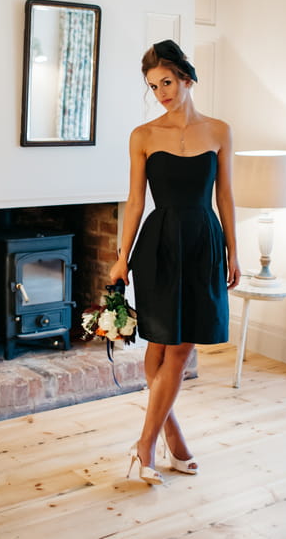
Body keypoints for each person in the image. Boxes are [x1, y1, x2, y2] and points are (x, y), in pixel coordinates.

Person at [109, 39, 240, 486]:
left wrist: (234, 251)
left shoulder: (219, 131)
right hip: (159, 244)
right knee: (161, 345)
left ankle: (147, 444)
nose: (161, 92)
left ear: (186, 77)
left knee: (182, 349)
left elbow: (225, 197)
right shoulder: (143, 136)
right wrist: (119, 258)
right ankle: (170, 440)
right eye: (153, 86)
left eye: (166, 81)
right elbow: (133, 202)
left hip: (204, 242)